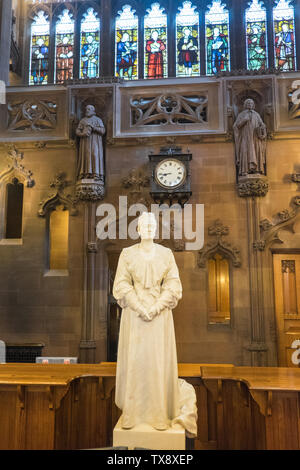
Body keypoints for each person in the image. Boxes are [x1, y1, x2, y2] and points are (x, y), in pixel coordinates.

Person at [112, 212, 197, 436]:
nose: (148, 227)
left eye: (152, 224)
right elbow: (121, 284)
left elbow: (173, 285)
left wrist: (157, 306)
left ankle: (159, 414)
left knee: (158, 362)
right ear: (138, 229)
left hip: (159, 318)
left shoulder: (166, 254)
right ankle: (132, 413)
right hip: (134, 316)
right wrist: (139, 307)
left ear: (156, 228)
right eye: (144, 224)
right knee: (136, 361)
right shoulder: (127, 254)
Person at [233, 98, 267, 177]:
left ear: (253, 105)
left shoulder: (256, 114)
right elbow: (236, 126)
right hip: (245, 137)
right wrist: (244, 120)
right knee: (245, 151)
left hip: (255, 137)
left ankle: (257, 169)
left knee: (256, 151)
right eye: (248, 103)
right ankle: (245, 170)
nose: (250, 105)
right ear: (245, 105)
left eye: (251, 103)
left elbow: (262, 124)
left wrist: (262, 127)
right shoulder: (242, 114)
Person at [76, 104, 105, 181]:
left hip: (95, 142)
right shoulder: (83, 120)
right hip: (85, 142)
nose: (87, 111)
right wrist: (82, 134)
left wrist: (93, 128)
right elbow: (77, 131)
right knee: (86, 156)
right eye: (86, 109)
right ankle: (86, 174)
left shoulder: (98, 120)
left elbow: (103, 131)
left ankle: (96, 174)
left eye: (89, 109)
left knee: (95, 155)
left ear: (93, 110)